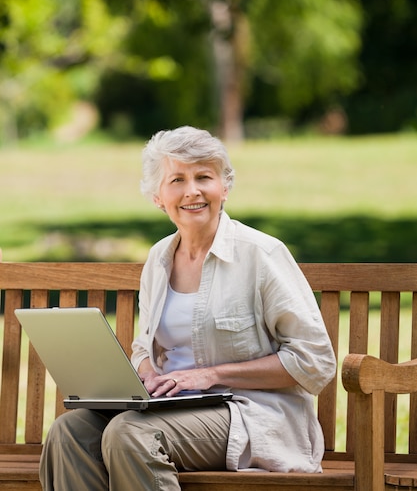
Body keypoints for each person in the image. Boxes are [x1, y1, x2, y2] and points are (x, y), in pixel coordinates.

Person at [40, 125, 336, 491]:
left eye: (204, 177)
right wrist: (144, 372)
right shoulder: (159, 258)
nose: (192, 190)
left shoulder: (261, 254)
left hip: (251, 416)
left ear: (224, 187)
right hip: (169, 412)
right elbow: (143, 348)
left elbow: (314, 362)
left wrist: (210, 375)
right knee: (70, 430)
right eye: (177, 179)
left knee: (129, 432)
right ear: (157, 196)